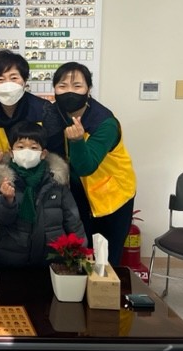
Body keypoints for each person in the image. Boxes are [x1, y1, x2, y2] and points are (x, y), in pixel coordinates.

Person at [43, 62, 136, 265]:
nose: (69, 92)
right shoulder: (52, 113)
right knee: (78, 254)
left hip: (111, 195)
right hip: (77, 192)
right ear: (55, 90)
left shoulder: (105, 123)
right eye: (62, 86)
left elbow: (86, 167)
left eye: (77, 86)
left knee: (105, 259)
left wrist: (77, 141)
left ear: (89, 89)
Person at [0, 121, 86, 268]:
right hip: (13, 258)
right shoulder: (3, 179)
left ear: (43, 154)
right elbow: (0, 218)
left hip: (53, 259)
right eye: (20, 147)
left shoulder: (56, 181)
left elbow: (72, 219)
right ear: (11, 152)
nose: (27, 152)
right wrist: (8, 201)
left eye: (34, 148)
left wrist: (80, 250)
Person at [0, 50, 49, 161]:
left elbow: (54, 153)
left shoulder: (43, 109)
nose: (7, 84)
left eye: (14, 78)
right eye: (0, 79)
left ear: (24, 81)